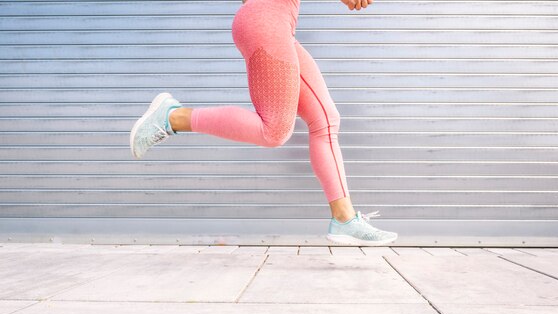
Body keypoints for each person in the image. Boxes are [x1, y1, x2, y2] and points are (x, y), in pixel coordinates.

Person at [130, 0, 398, 246]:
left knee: (325, 119)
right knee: (274, 132)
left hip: (275, 22)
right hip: (265, 20)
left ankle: (344, 219)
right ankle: (172, 117)